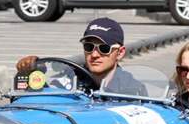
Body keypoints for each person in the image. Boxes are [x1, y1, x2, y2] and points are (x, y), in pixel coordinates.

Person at [16, 17, 147, 96]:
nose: (95, 55)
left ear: (120, 52)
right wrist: (28, 73)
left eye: (104, 48)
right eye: (89, 47)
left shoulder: (133, 89)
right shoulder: (68, 80)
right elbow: (43, 99)